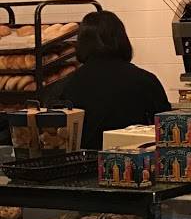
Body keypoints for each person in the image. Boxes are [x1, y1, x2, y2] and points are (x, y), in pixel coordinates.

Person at [54, 11, 169, 150]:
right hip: (134, 160)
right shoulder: (145, 80)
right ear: (122, 40)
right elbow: (167, 128)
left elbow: (58, 136)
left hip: (82, 161)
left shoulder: (66, 85)